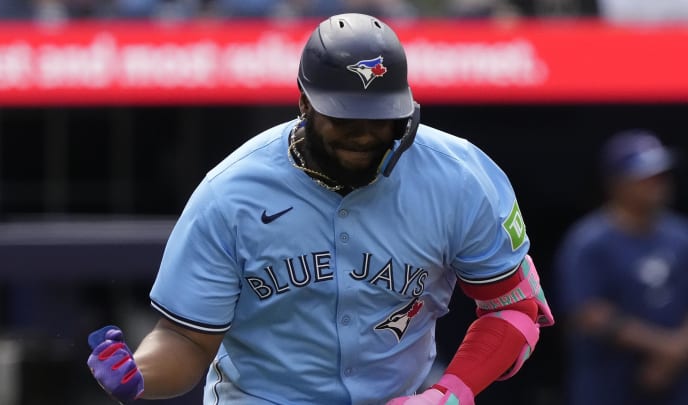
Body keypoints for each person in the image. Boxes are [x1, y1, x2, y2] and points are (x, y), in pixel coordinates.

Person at [86, 13, 554, 405]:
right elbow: (188, 338)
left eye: (378, 117)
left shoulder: (458, 177)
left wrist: (449, 393)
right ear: (304, 102)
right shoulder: (230, 192)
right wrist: (141, 375)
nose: (363, 133)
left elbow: (513, 310)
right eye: (344, 116)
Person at [555, 130, 688, 405]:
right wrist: (665, 347)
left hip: (675, 385)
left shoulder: (680, 236)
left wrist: (678, 351)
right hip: (609, 385)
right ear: (617, 183)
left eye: (661, 175)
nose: (658, 183)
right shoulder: (589, 241)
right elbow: (587, 314)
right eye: (646, 177)